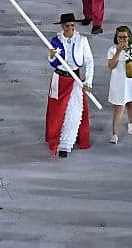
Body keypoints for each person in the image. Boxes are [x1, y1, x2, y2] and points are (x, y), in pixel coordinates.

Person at [45, 13, 94, 156]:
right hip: (59, 79)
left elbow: (89, 61)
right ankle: (55, 138)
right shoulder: (55, 41)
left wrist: (88, 80)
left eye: (72, 25)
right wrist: (52, 55)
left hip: (75, 80)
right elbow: (52, 61)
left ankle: (66, 145)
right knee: (58, 112)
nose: (70, 28)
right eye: (67, 26)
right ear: (62, 26)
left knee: (74, 111)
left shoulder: (82, 41)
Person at [107, 25, 132, 143]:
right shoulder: (112, 50)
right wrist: (118, 52)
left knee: (131, 103)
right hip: (119, 82)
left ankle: (131, 122)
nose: (122, 40)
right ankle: (115, 134)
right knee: (119, 106)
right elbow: (111, 66)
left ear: (129, 37)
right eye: (120, 37)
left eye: (124, 37)